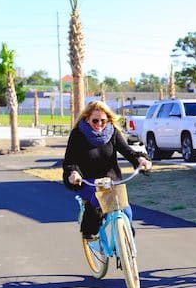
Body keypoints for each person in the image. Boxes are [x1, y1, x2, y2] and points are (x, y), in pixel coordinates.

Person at [62, 100, 152, 238]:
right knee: (99, 198)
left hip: (112, 180)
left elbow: (128, 151)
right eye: (95, 121)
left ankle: (125, 250)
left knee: (126, 211)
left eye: (103, 121)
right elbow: (70, 160)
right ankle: (90, 225)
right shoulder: (78, 134)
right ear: (87, 119)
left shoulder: (112, 132)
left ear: (108, 120)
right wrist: (73, 173)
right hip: (89, 181)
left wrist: (140, 160)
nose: (99, 124)